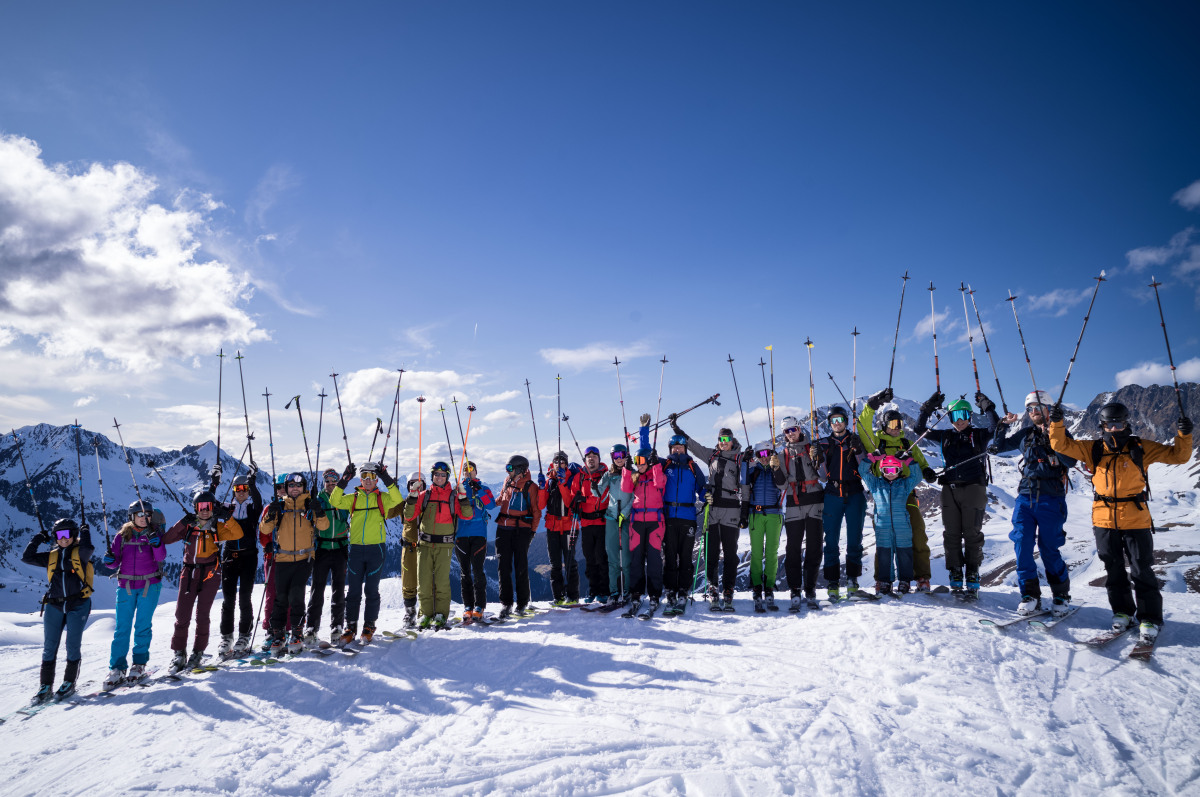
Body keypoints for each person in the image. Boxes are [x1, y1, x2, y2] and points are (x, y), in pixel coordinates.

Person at [1048, 401, 1193, 643]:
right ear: (1102, 425)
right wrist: (1057, 423)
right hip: (1103, 520)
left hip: (1135, 519)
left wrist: (1184, 435)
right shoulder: (1093, 448)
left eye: (1119, 424)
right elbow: (1060, 444)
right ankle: (1123, 612)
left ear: (1126, 423)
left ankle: (1150, 618)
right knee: (1113, 570)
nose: (1114, 429)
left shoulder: (1141, 447)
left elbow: (1179, 456)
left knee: (1141, 569)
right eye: (1109, 424)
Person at [991, 391, 1077, 614]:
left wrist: (1055, 434)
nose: (1033, 412)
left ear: (1048, 409)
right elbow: (999, 447)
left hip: (1051, 499)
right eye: (1030, 409)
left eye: (1038, 407)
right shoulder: (1026, 434)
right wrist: (1002, 426)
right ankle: (1029, 595)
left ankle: (1061, 595)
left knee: (1049, 548)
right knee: (1022, 546)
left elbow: (1071, 460)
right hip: (1025, 498)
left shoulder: (1061, 433)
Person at [915, 391, 1000, 595]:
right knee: (951, 534)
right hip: (949, 489)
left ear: (970, 416)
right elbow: (919, 429)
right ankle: (955, 571)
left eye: (963, 415)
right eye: (954, 416)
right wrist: (927, 408)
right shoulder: (945, 436)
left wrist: (987, 407)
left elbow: (995, 428)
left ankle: (972, 572)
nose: (959, 421)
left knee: (972, 532)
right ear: (949, 418)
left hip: (974, 488)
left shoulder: (978, 434)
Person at [859, 388, 936, 589]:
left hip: (906, 493)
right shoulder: (876, 442)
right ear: (884, 425)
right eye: (893, 424)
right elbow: (863, 426)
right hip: (883, 495)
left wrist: (927, 471)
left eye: (900, 423)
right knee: (884, 539)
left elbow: (920, 462)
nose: (897, 427)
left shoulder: (907, 443)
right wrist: (872, 405)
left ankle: (921, 577)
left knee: (917, 534)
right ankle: (882, 579)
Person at [162, 488, 244, 672]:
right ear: (195, 507)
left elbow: (238, 534)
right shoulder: (188, 527)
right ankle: (179, 653)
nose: (205, 510)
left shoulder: (218, 528)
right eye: (201, 506)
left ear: (213, 507)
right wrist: (182, 523)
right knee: (182, 615)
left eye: (208, 506)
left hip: (210, 573)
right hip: (189, 573)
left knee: (202, 616)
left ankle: (198, 652)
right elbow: (166, 539)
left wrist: (227, 518)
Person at [670, 415, 744, 612]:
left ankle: (728, 589)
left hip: (732, 509)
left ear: (732, 440)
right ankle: (713, 587)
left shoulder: (740, 457)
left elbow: (748, 480)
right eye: (721, 439)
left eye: (727, 439)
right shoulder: (711, 455)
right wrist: (677, 430)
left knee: (730, 553)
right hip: (712, 509)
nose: (724, 443)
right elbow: (693, 445)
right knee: (711, 552)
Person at [328, 461, 402, 645]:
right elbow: (334, 501)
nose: (368, 480)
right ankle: (350, 626)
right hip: (356, 550)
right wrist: (344, 480)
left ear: (376, 480)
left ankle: (369, 626)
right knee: (353, 590)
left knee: (371, 590)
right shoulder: (353, 497)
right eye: (364, 477)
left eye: (372, 477)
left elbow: (398, 499)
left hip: (376, 549)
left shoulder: (382, 498)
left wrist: (386, 477)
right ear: (360, 479)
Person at [23, 518, 94, 704]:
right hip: (54, 605)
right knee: (49, 647)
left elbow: (88, 548)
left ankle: (69, 683)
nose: (64, 538)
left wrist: (85, 532)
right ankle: (45, 687)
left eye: (68, 534)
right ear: (55, 536)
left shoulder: (80, 554)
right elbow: (27, 557)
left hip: (77, 605)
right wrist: (38, 538)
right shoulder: (51, 556)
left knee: (72, 645)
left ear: (74, 535)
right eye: (60, 535)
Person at [259, 472, 329, 654]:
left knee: (296, 595)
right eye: (291, 485)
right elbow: (265, 528)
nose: (295, 488)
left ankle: (296, 633)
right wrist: (271, 514)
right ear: (287, 488)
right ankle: (278, 634)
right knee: (280, 598)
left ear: (304, 487)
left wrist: (318, 511)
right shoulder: (281, 506)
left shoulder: (310, 505)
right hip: (282, 558)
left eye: (298, 485)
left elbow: (324, 526)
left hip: (304, 558)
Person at [102, 501, 167, 689]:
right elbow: (114, 563)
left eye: (147, 515)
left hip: (149, 585)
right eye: (139, 514)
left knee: (142, 626)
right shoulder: (122, 536)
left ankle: (139, 664)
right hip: (126, 586)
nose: (143, 518)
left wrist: (156, 544)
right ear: (132, 517)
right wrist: (109, 561)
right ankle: (117, 668)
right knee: (122, 627)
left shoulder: (154, 534)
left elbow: (161, 557)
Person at [403, 461, 473, 628]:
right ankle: (425, 614)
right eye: (436, 474)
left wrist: (463, 499)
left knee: (441, 583)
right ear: (433, 476)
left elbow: (467, 515)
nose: (439, 477)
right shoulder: (424, 495)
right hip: (425, 544)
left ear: (447, 476)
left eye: (443, 475)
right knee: (424, 582)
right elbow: (408, 516)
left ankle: (441, 614)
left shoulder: (453, 496)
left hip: (444, 546)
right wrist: (412, 496)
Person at [815, 406, 868, 601]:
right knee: (831, 541)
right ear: (829, 423)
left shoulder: (855, 440)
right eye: (833, 420)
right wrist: (819, 459)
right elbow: (821, 477)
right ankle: (832, 582)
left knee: (855, 539)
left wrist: (859, 450)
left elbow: (865, 470)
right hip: (832, 494)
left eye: (840, 419)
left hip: (854, 492)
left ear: (846, 421)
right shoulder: (825, 444)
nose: (837, 423)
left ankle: (853, 579)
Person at [620, 414, 667, 616]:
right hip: (637, 523)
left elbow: (661, 484)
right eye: (636, 460)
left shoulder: (657, 474)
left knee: (655, 560)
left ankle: (655, 594)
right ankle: (636, 593)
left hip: (655, 523)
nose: (638, 463)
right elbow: (625, 488)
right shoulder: (635, 476)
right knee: (636, 560)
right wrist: (626, 468)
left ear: (649, 460)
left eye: (641, 460)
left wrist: (655, 465)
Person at [858, 454, 925, 594]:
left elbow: (917, 476)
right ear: (882, 471)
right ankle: (885, 582)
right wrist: (871, 458)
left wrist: (908, 460)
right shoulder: (875, 484)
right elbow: (862, 471)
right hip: (883, 526)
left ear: (899, 471)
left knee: (904, 553)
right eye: (886, 470)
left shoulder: (905, 485)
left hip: (902, 526)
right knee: (884, 554)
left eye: (893, 470)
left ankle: (905, 581)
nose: (890, 474)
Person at [778, 416, 825, 610]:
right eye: (787, 431)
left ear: (799, 429)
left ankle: (811, 588)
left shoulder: (812, 448)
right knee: (793, 549)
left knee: (815, 547)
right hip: (793, 503)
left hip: (815, 501)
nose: (791, 434)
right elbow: (781, 484)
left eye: (793, 429)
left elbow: (823, 476)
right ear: (784, 435)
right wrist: (775, 469)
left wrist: (818, 458)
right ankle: (795, 589)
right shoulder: (781, 455)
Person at [218, 465, 262, 658]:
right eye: (238, 489)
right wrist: (214, 481)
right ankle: (226, 637)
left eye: (245, 489)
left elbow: (259, 501)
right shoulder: (227, 508)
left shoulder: (253, 508)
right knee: (228, 600)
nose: (242, 492)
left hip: (248, 557)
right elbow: (209, 506)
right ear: (234, 491)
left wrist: (252, 482)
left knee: (244, 597)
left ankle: (244, 635)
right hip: (229, 556)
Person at [660, 433, 707, 614]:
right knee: (670, 556)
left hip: (688, 516)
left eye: (680, 447)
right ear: (670, 449)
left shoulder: (692, 467)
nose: (677, 450)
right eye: (674, 447)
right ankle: (671, 590)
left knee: (686, 557)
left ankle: (683, 591)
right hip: (669, 516)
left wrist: (706, 495)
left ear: (685, 449)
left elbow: (702, 489)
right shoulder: (664, 465)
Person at [494, 454, 542, 618]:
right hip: (503, 528)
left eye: (510, 468)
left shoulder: (531, 486)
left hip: (522, 529)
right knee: (503, 566)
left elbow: (536, 511)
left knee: (520, 565)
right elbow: (500, 500)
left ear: (520, 469)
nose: (508, 471)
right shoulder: (507, 482)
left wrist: (533, 531)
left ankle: (522, 603)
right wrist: (485, 501)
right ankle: (506, 604)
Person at [741, 440, 787, 611]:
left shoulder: (778, 467)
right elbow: (743, 480)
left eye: (767, 454)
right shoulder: (753, 470)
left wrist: (776, 468)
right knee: (756, 552)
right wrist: (745, 461)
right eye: (760, 454)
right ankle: (757, 586)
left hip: (774, 515)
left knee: (772, 552)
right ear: (756, 456)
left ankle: (769, 586)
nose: (764, 458)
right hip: (756, 515)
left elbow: (784, 485)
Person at [306, 468, 350, 644]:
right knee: (317, 589)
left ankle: (336, 626)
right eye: (328, 482)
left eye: (334, 482)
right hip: (322, 547)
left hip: (340, 547)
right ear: (324, 483)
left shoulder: (344, 498)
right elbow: (309, 519)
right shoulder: (319, 499)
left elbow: (347, 516)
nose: (331, 485)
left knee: (338, 589)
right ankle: (311, 627)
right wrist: (313, 505)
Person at [564, 446, 611, 605]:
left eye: (594, 456)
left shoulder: (605, 475)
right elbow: (573, 495)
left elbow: (603, 497)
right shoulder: (580, 477)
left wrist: (585, 499)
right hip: (585, 523)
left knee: (601, 557)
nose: (591, 458)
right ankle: (593, 590)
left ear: (599, 458)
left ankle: (604, 590)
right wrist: (575, 502)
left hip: (602, 522)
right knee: (589, 557)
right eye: (588, 456)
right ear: (585, 460)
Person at [456, 461, 495, 623]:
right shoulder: (458, 489)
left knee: (478, 571)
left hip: (479, 534)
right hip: (461, 534)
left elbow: (491, 505)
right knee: (465, 572)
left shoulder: (483, 488)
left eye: (471, 469)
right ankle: (468, 606)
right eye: (465, 470)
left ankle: (479, 606)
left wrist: (479, 492)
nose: (468, 472)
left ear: (476, 472)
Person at [540, 450, 581, 605]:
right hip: (552, 526)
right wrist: (542, 488)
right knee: (555, 563)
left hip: (569, 526)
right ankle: (558, 596)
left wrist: (563, 483)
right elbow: (541, 505)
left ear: (566, 463)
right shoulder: (549, 481)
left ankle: (573, 596)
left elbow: (570, 502)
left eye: (562, 461)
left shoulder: (572, 479)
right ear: (552, 463)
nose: (559, 464)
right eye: (556, 461)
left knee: (570, 561)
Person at [597, 444, 633, 607]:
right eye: (616, 456)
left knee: (625, 558)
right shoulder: (608, 475)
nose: (619, 459)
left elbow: (635, 497)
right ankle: (614, 591)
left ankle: (627, 590)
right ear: (612, 458)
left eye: (622, 455)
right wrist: (595, 486)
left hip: (625, 519)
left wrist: (624, 513)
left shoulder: (632, 474)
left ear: (626, 456)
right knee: (612, 557)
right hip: (611, 517)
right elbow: (597, 491)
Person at [259, 473, 290, 643]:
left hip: (291, 557)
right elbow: (263, 532)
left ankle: (289, 627)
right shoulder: (270, 508)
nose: (282, 490)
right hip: (273, 557)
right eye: (279, 487)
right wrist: (267, 544)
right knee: (272, 593)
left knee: (290, 593)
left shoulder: (296, 507)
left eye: (285, 486)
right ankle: (271, 628)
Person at [399, 471, 425, 628]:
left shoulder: (428, 502)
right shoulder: (403, 503)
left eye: (419, 483)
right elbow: (387, 513)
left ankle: (426, 611)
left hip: (426, 546)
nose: (415, 486)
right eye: (412, 483)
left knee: (428, 580)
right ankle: (410, 612)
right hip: (409, 547)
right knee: (408, 581)